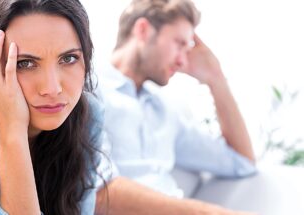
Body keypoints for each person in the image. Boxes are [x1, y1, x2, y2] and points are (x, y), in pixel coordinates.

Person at [95, 0, 257, 214]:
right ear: (143, 30)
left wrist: (216, 79)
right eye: (179, 43)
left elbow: (242, 163)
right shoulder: (88, 92)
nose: (182, 61)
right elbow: (97, 192)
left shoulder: (165, 110)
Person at [0, 0, 104, 214]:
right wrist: (12, 129)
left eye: (69, 58)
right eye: (24, 63)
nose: (52, 88)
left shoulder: (87, 115)